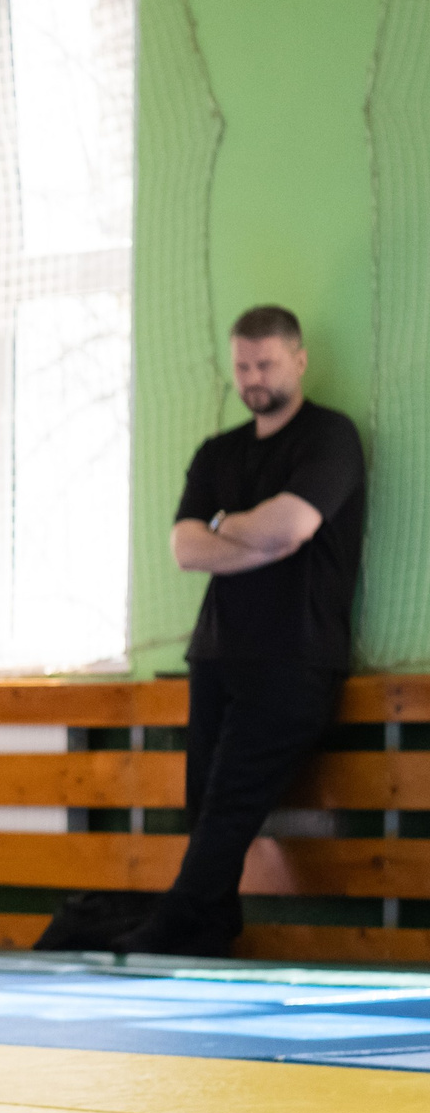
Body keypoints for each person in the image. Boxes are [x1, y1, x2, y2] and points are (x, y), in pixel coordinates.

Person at [121, 304, 367, 959]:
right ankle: (207, 930)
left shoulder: (330, 438)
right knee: (203, 803)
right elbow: (183, 547)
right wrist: (250, 535)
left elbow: (292, 528)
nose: (253, 376)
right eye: (242, 365)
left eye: (266, 362)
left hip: (296, 658)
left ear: (299, 359)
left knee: (229, 802)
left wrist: (225, 527)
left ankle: (174, 925)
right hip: (216, 652)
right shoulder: (217, 452)